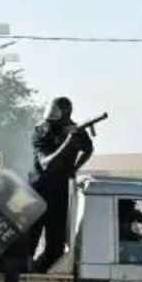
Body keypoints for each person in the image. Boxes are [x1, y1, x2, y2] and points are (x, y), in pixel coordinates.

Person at [28, 97, 94, 272]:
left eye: (56, 112)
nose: (51, 116)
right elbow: (46, 164)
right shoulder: (41, 130)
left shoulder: (75, 130)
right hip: (38, 192)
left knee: (56, 247)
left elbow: (88, 149)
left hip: (60, 193)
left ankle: (39, 274)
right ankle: (25, 273)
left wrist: (75, 167)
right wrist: (68, 142)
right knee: (29, 243)